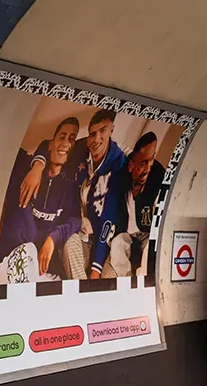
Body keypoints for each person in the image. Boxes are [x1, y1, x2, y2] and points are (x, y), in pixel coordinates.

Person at [18, 108, 129, 279]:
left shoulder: (119, 163)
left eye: (103, 131)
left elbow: (109, 218)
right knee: (70, 243)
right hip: (83, 237)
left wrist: (96, 269)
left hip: (109, 245)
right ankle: (83, 297)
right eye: (92, 133)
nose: (96, 139)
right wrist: (38, 166)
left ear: (111, 130)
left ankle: (90, 294)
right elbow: (48, 145)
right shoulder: (83, 148)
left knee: (108, 283)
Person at [0, 117, 83, 283]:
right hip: (14, 259)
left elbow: (76, 220)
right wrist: (37, 165)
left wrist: (53, 239)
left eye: (72, 139)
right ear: (50, 143)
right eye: (62, 137)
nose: (66, 143)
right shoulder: (24, 172)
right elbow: (6, 146)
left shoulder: (70, 185)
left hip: (43, 269)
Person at [107, 132, 165, 278]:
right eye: (143, 163)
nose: (147, 168)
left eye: (151, 160)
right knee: (117, 244)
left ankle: (142, 282)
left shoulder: (157, 176)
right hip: (126, 232)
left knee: (150, 248)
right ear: (131, 165)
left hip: (147, 232)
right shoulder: (121, 177)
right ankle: (127, 283)